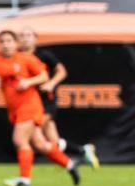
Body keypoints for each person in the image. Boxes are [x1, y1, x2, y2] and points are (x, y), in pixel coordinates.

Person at [0, 30, 80, 186]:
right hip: (13, 109)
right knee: (41, 144)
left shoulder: (26, 59)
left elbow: (43, 76)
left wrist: (28, 82)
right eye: (3, 42)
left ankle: (24, 182)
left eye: (9, 41)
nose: (6, 45)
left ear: (16, 44)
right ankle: (70, 165)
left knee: (20, 140)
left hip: (29, 106)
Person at [17, 28, 98, 169]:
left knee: (35, 134)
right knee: (53, 142)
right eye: (22, 36)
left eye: (28, 35)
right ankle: (82, 151)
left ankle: (67, 164)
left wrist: (51, 84)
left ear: (35, 38)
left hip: (44, 101)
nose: (25, 38)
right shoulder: (16, 58)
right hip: (27, 102)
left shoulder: (43, 55)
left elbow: (62, 71)